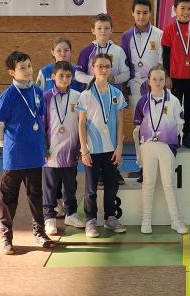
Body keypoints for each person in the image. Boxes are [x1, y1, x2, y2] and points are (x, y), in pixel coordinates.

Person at [0, 51, 52, 255]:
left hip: (35, 156)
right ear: (12, 72)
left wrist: (43, 147)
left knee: (36, 196)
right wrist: (7, 146)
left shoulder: (37, 92)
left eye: (29, 66)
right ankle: (6, 237)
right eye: (22, 68)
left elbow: (40, 121)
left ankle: (40, 233)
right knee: (9, 198)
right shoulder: (8, 96)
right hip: (15, 158)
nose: (27, 70)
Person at [134, 65, 189, 235]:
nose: (157, 82)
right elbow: (137, 127)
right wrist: (141, 147)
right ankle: (146, 220)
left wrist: (169, 137)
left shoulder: (173, 101)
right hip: (148, 146)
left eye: (161, 79)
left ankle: (175, 220)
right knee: (148, 183)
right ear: (148, 81)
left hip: (166, 145)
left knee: (169, 184)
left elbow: (180, 123)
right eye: (154, 79)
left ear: (166, 81)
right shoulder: (142, 101)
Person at [77, 53, 128, 238]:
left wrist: (119, 147)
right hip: (92, 149)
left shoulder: (117, 94)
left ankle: (110, 217)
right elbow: (81, 124)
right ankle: (90, 220)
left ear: (111, 69)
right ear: (93, 68)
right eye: (100, 66)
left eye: (107, 66)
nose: (103, 69)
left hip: (111, 149)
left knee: (111, 185)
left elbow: (121, 122)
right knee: (91, 188)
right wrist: (84, 149)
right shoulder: (86, 95)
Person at [76, 13, 129, 185]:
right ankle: (96, 172)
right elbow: (78, 74)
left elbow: (126, 73)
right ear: (93, 30)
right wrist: (93, 79)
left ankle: (114, 170)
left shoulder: (118, 51)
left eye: (106, 28)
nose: (103, 31)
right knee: (93, 132)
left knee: (114, 130)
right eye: (99, 28)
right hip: (92, 99)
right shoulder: (86, 51)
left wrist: (113, 79)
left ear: (112, 30)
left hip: (111, 97)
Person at [36, 36, 82, 215]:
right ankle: (53, 205)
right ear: (52, 52)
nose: (62, 53)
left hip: (70, 128)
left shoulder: (77, 71)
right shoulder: (44, 72)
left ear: (71, 52)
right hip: (52, 130)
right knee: (51, 174)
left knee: (69, 174)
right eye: (59, 50)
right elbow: (38, 95)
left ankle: (68, 206)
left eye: (66, 50)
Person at [121, 0, 163, 182]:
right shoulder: (126, 36)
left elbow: (162, 61)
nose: (141, 16)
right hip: (134, 86)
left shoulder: (159, 34)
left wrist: (156, 81)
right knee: (139, 128)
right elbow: (124, 63)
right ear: (132, 13)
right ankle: (142, 166)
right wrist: (124, 88)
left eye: (145, 12)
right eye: (138, 12)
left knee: (156, 126)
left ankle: (157, 165)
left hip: (154, 85)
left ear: (150, 13)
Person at [42, 61, 84, 236]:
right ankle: (49, 218)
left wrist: (81, 147)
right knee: (50, 187)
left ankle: (71, 214)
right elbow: (42, 124)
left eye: (68, 76)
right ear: (53, 76)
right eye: (61, 76)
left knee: (70, 185)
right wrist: (43, 148)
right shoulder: (45, 97)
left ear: (72, 78)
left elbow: (82, 124)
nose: (65, 79)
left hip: (70, 150)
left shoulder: (78, 96)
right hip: (51, 151)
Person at [161, 0, 190, 149]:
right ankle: (176, 135)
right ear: (175, 9)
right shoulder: (169, 30)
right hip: (175, 77)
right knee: (175, 107)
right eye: (182, 8)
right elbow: (165, 55)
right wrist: (167, 76)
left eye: (189, 8)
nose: (186, 12)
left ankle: (187, 135)